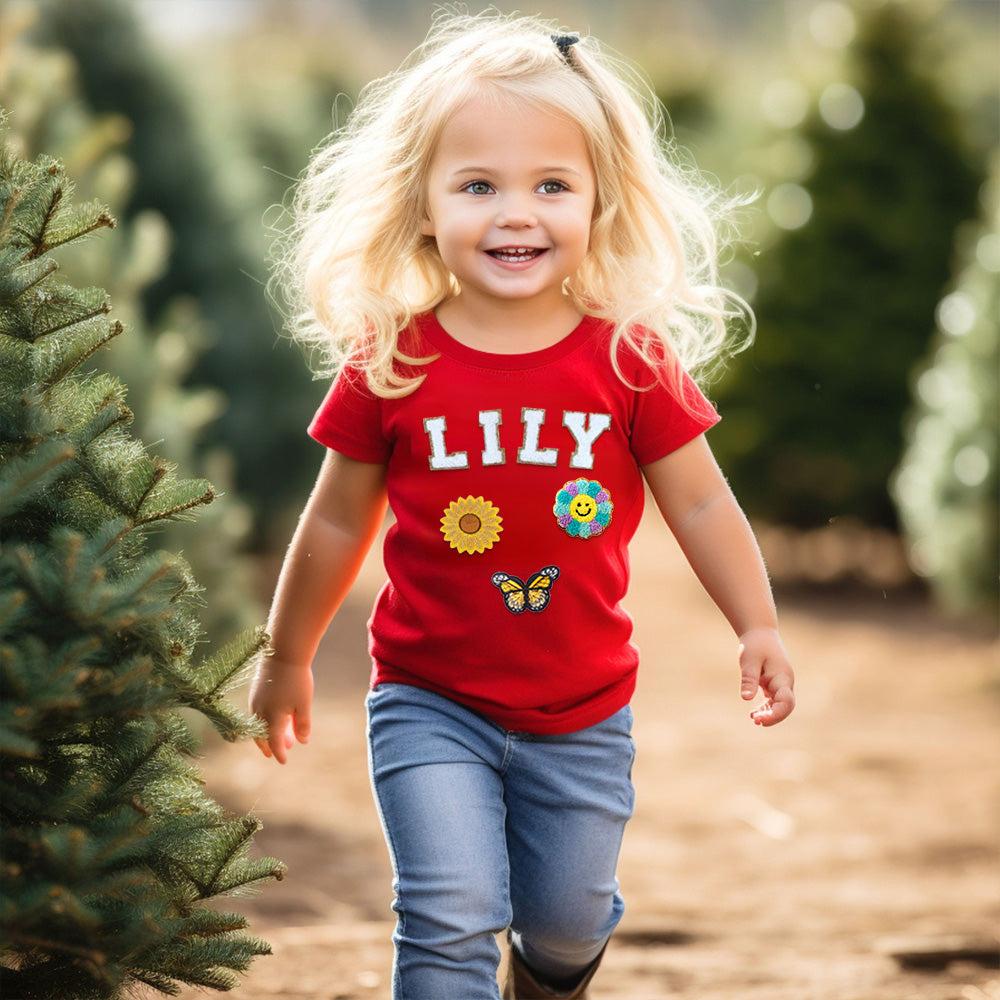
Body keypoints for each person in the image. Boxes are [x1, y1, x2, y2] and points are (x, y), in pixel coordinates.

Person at [250, 11, 795, 999]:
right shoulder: (394, 359)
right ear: (421, 204)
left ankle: (547, 978)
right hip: (428, 699)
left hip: (583, 710)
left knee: (564, 916)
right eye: (477, 185)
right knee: (448, 908)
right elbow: (335, 520)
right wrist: (288, 655)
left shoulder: (627, 358)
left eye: (551, 185)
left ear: (599, 202)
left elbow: (704, 502)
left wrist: (754, 622)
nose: (516, 213)